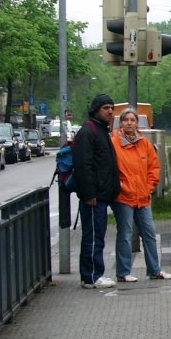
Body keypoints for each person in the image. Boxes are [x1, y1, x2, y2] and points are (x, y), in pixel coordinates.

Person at [111, 107, 171, 282]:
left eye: (132, 120)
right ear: (121, 123)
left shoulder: (144, 143)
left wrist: (148, 188)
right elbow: (110, 170)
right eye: (126, 120)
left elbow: (154, 167)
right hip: (123, 197)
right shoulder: (114, 143)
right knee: (125, 234)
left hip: (142, 196)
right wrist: (122, 186)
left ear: (137, 123)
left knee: (149, 233)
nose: (129, 123)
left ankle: (155, 270)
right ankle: (123, 273)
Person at [74, 93, 120, 289]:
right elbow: (84, 166)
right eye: (105, 108)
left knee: (97, 234)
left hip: (101, 194)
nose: (110, 111)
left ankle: (93, 273)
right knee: (93, 236)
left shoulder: (100, 130)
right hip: (94, 196)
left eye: (112, 108)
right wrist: (89, 193)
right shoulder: (88, 131)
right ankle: (92, 276)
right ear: (95, 110)